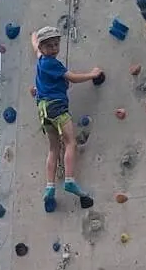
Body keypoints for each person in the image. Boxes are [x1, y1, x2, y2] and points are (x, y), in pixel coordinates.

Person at [31, 26, 101, 213]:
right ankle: (70, 180)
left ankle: (50, 186)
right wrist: (92, 75)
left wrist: (34, 37)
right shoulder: (53, 63)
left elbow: (35, 49)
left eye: (56, 44)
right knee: (70, 143)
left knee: (54, 148)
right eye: (50, 46)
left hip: (43, 110)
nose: (54, 49)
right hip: (57, 106)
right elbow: (73, 78)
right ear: (43, 47)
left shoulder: (41, 60)